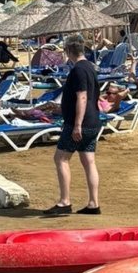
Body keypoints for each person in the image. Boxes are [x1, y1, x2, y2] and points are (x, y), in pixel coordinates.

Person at [46, 34, 102, 216]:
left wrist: (77, 124)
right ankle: (93, 203)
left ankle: (65, 201)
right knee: (89, 161)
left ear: (69, 51)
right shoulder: (91, 68)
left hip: (81, 123)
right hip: (94, 121)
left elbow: (82, 97)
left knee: (61, 158)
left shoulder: (78, 70)